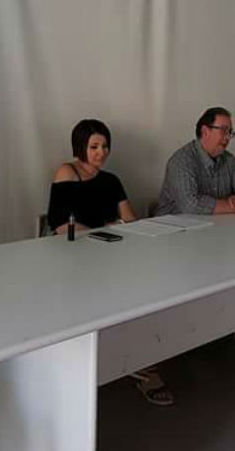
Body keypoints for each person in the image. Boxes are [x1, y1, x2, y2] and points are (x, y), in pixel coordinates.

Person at [46, 119, 174, 406]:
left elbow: (130, 221)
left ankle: (140, 360)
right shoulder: (67, 172)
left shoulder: (111, 180)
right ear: (80, 146)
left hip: (109, 252)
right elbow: (61, 225)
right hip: (72, 256)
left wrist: (113, 229)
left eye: (104, 146)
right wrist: (106, 228)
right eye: (94, 146)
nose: (101, 152)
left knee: (145, 290)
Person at [156, 107, 235, 216]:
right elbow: (191, 205)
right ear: (205, 131)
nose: (227, 137)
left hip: (213, 223)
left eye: (230, 132)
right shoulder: (181, 160)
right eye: (223, 130)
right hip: (173, 223)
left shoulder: (229, 160)